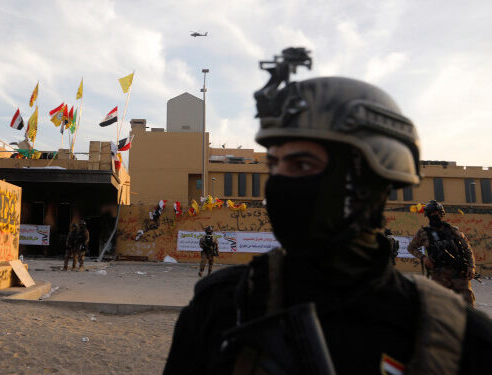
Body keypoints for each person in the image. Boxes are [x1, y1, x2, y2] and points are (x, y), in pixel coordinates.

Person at [164, 48, 492, 374]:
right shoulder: (221, 310)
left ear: (370, 182)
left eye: (303, 163)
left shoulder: (455, 338)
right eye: (275, 165)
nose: (279, 184)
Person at [408, 200, 476, 306]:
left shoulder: (453, 230)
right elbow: (411, 248)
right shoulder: (423, 233)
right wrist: (423, 258)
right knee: (438, 306)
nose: (435, 215)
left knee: (468, 303)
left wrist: (471, 266)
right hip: (439, 273)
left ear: (441, 214)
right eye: (432, 213)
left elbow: (467, 249)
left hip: (458, 272)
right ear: (428, 215)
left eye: (437, 213)